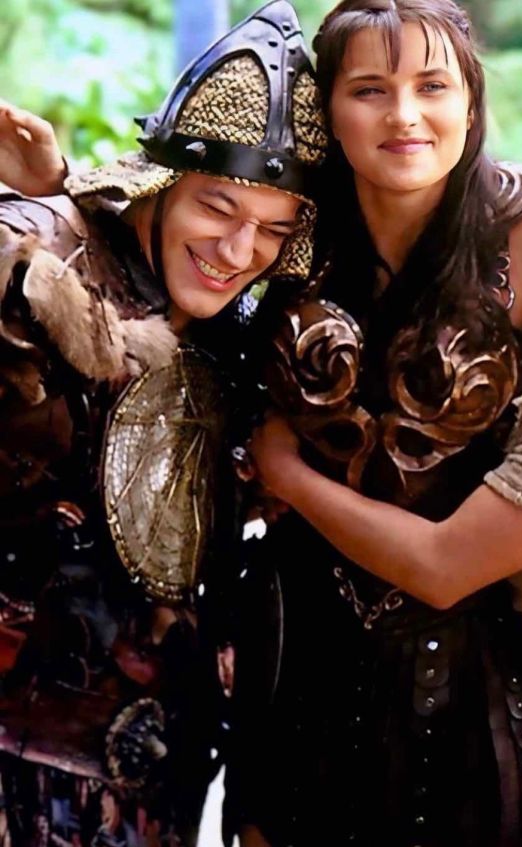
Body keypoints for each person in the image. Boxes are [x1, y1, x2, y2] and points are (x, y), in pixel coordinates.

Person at [226, 2, 522, 846]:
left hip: (474, 672)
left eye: (432, 86)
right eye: (370, 89)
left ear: (473, 101)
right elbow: (160, 222)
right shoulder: (279, 222)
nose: (404, 116)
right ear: (325, 108)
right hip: (300, 642)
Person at [0, 1, 326, 845]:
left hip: (161, 783)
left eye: (272, 230)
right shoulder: (35, 258)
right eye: (218, 207)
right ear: (163, 183)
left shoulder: (236, 341)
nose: (239, 250)